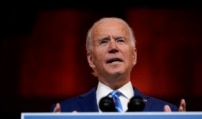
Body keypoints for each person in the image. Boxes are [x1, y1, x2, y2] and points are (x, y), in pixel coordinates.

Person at [51, 17, 186, 113]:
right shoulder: (64, 112)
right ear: (91, 59)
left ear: (134, 56)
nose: (113, 47)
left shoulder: (165, 113)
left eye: (120, 40)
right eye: (104, 42)